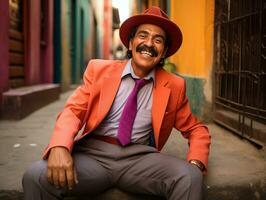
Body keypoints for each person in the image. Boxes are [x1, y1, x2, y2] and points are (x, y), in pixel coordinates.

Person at [23, 6, 211, 200]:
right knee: (35, 176)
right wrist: (60, 146)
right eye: (142, 36)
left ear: (163, 53)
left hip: (140, 160)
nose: (149, 44)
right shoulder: (98, 70)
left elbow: (196, 129)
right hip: (93, 156)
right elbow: (73, 111)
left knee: (189, 177)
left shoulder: (174, 85)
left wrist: (196, 162)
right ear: (130, 44)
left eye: (158, 40)